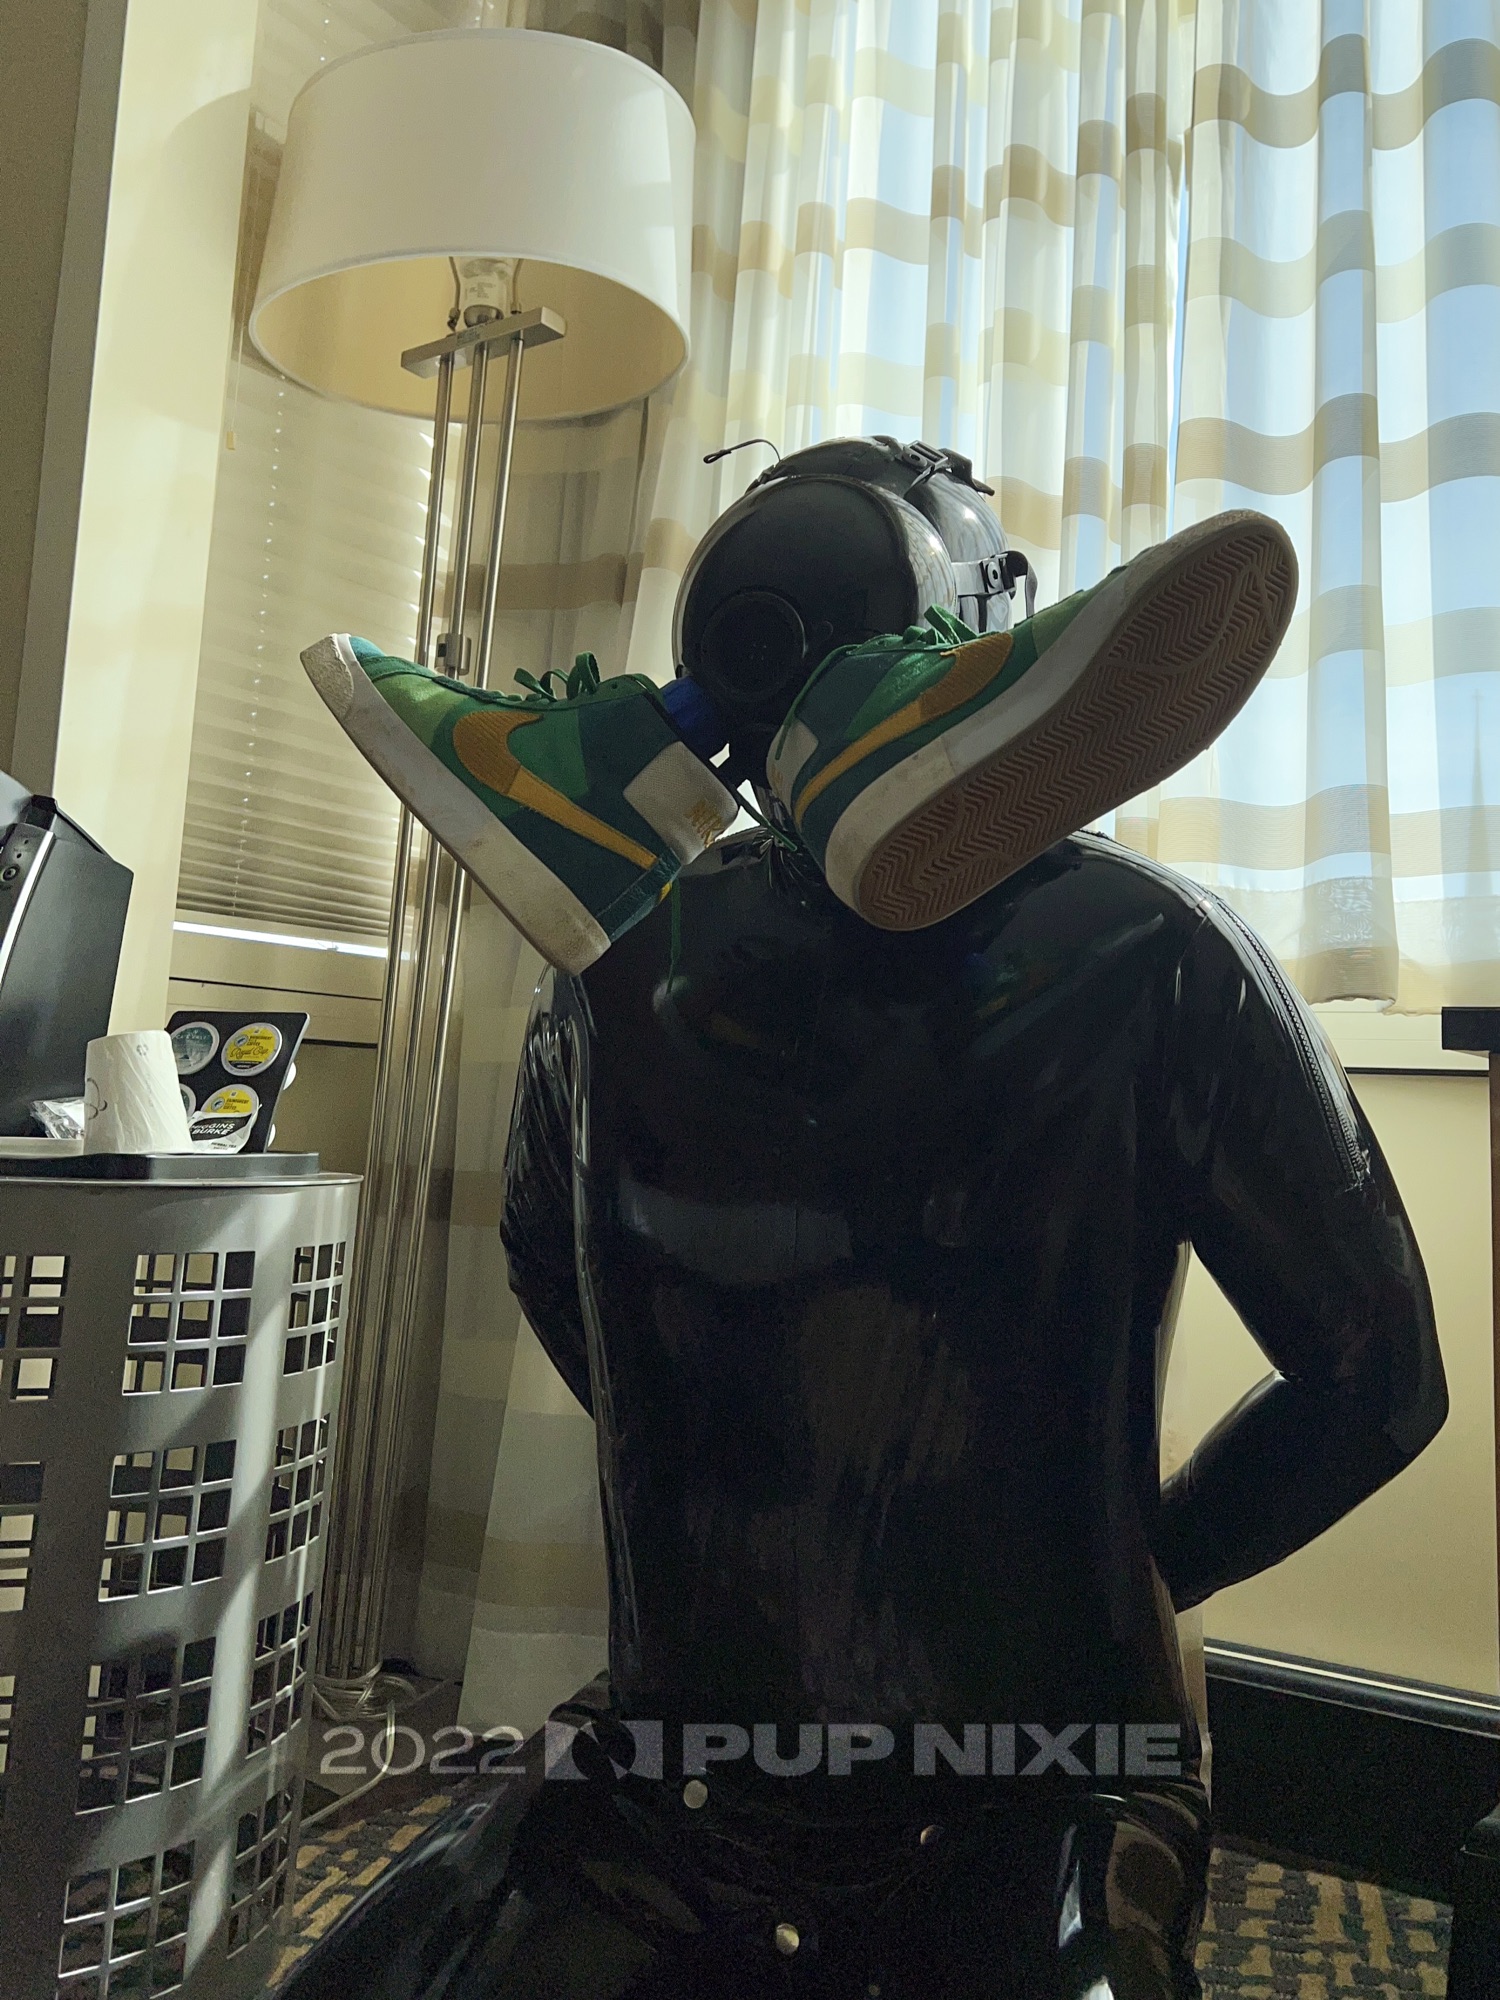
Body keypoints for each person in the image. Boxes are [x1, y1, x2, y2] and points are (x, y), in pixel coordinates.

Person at [284, 442, 1447, 1999]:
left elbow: (550, 1273)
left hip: (925, 1785)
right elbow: (1376, 1382)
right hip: (799, 1772)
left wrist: (760, 1471)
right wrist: (1117, 1577)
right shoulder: (1147, 946)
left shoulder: (622, 952)